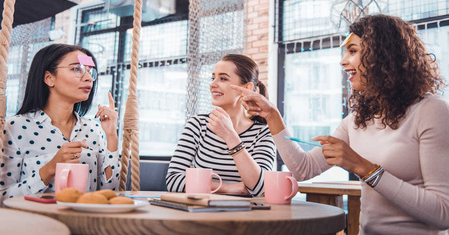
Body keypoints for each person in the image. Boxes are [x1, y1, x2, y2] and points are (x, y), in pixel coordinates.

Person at [232, 14, 449, 234]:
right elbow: (303, 169)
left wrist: (364, 168)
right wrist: (272, 116)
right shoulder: (356, 120)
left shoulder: (431, 111)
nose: (343, 61)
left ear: (383, 56)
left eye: (353, 51)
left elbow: (443, 213)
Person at [0, 44, 120, 201]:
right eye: (77, 69)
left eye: (91, 72)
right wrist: (50, 168)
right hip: (37, 223)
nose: (88, 78)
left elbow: (109, 192)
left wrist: (112, 136)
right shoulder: (16, 127)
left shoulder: (94, 129)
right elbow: (3, 198)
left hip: (85, 223)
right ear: (49, 78)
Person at [166, 54, 276, 196]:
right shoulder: (197, 125)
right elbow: (173, 181)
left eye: (223, 78)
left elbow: (261, 189)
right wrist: (229, 188)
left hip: (246, 215)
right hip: (201, 213)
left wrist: (230, 136)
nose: (213, 84)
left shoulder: (263, 133)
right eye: (213, 78)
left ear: (247, 88)